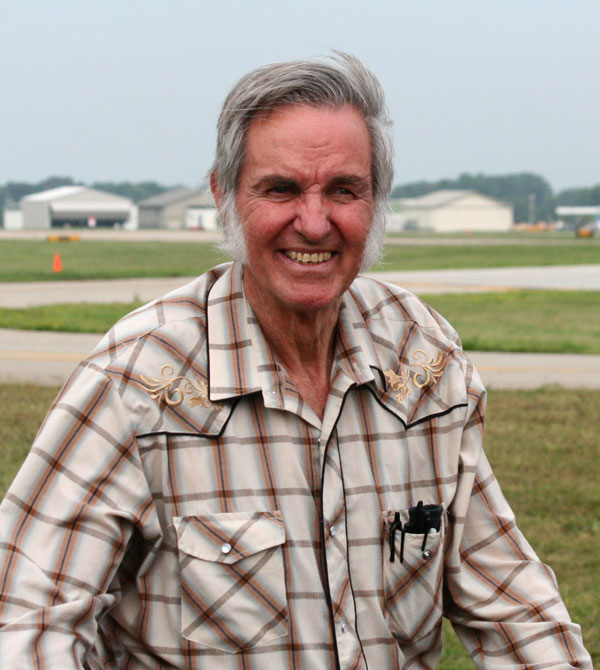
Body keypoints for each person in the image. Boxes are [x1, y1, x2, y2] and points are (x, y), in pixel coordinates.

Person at [0, 53, 591, 670]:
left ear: (376, 199)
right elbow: (28, 620)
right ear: (224, 195)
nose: (314, 223)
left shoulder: (423, 360)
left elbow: (512, 603)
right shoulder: (139, 380)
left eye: (344, 190)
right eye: (281, 189)